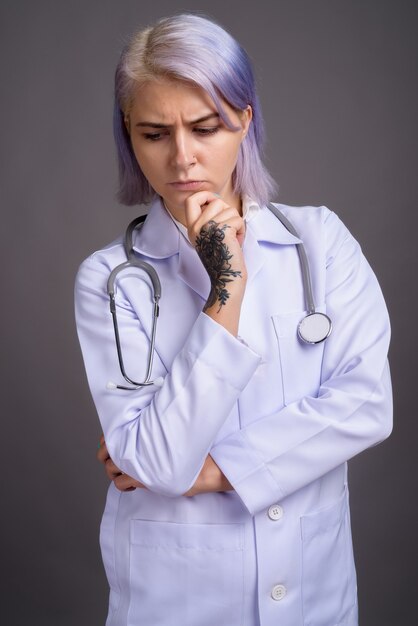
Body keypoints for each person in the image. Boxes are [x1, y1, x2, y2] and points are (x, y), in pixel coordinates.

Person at [74, 13, 392, 626]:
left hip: (312, 592)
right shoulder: (112, 279)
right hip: (177, 598)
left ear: (244, 120)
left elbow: (366, 403)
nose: (183, 158)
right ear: (128, 136)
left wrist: (214, 472)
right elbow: (159, 465)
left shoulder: (320, 243)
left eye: (206, 126)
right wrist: (228, 286)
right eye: (154, 133)